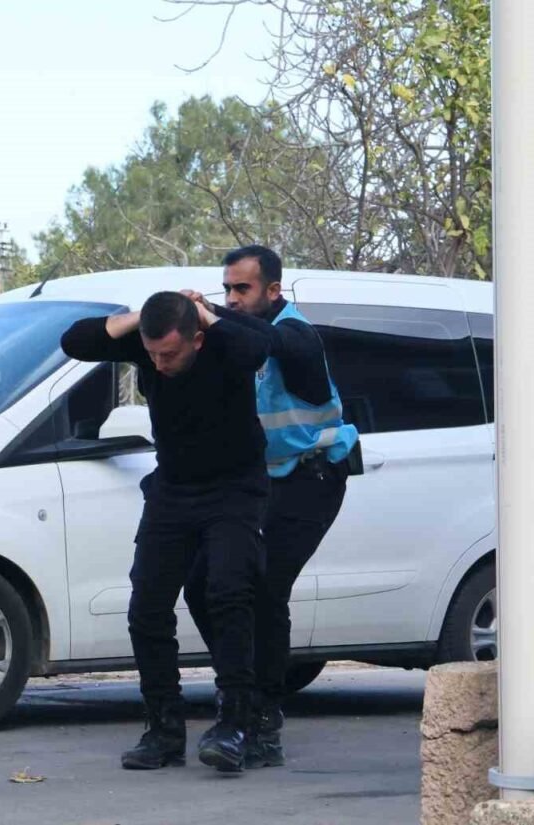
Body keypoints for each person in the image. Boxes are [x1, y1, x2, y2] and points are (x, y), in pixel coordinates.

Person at [60, 291, 271, 773]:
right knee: (147, 608)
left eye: (169, 354)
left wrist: (206, 314)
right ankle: (163, 729)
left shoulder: (226, 343)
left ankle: (236, 724)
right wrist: (143, 317)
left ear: (197, 339)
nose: (159, 364)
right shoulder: (150, 348)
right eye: (152, 354)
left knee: (228, 594)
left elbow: (260, 347)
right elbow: (75, 341)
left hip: (234, 489)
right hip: (173, 490)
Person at [182, 245, 359, 769]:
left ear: (274, 290)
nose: (233, 298)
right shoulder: (239, 335)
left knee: (263, 587)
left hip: (312, 478)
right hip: (260, 481)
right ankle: (239, 688)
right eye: (227, 289)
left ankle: (261, 716)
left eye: (243, 288)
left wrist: (212, 316)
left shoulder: (295, 332)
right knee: (204, 585)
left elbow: (274, 344)